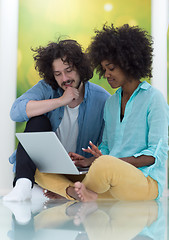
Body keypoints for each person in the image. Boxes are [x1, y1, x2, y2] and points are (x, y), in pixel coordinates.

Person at [34, 23, 169, 202]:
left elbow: (155, 155)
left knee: (105, 164)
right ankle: (76, 192)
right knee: (41, 168)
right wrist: (88, 161)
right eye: (104, 69)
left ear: (128, 63)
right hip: (108, 180)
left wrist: (109, 162)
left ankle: (69, 192)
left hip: (144, 182)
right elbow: (106, 147)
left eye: (111, 68)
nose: (106, 74)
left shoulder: (154, 99)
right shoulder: (111, 103)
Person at [4, 39, 110, 202]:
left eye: (69, 71)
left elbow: (108, 145)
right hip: (43, 169)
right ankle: (23, 185)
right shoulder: (47, 88)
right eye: (58, 74)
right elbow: (16, 111)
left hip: (78, 173)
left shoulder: (102, 99)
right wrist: (61, 101)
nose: (65, 78)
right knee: (37, 121)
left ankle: (66, 189)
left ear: (80, 69)